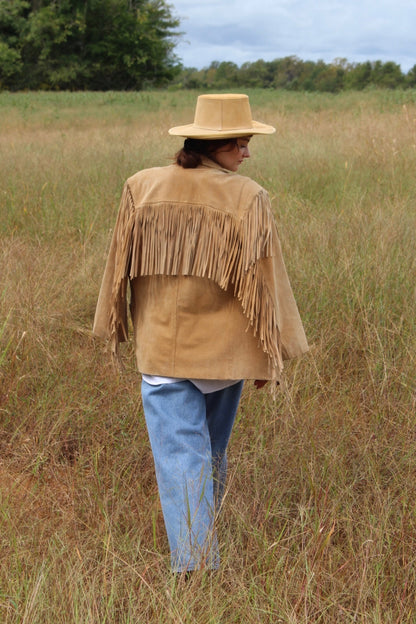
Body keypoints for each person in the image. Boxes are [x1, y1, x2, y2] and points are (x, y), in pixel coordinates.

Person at [93, 93, 308, 574]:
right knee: (208, 454)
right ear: (216, 142)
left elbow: (116, 269)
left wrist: (113, 323)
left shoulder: (141, 187)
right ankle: (201, 562)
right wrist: (269, 355)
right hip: (224, 358)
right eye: (242, 142)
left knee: (182, 459)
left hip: (162, 355)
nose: (248, 153)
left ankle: (196, 567)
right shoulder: (247, 196)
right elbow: (268, 283)